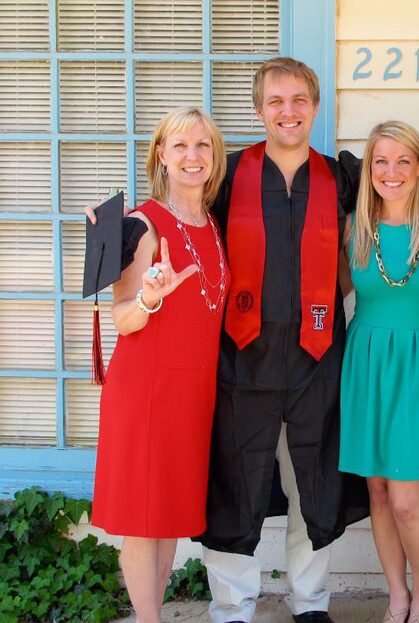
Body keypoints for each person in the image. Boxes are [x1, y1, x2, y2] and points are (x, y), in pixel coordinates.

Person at [193, 57, 419, 623]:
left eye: (299, 100)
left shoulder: (340, 176)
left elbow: (397, 198)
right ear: (258, 110)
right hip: (241, 360)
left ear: (315, 107)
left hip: (320, 361)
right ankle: (232, 607)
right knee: (233, 484)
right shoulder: (227, 175)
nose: (288, 111)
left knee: (312, 486)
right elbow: (186, 221)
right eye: (275, 101)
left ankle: (311, 603)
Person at [90, 106, 228, 623]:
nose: (192, 156)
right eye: (180, 146)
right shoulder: (141, 225)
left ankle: (155, 614)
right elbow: (123, 319)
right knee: (144, 523)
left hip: (192, 394)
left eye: (203, 146)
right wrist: (149, 297)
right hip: (147, 391)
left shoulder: (211, 222)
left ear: (214, 158)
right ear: (161, 157)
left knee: (167, 518)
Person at [338, 121, 419, 623]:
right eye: (381, 162)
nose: (391, 172)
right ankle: (397, 596)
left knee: (409, 501)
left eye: (403, 161)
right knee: (379, 493)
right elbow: (331, 294)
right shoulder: (353, 229)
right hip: (366, 367)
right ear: (369, 170)